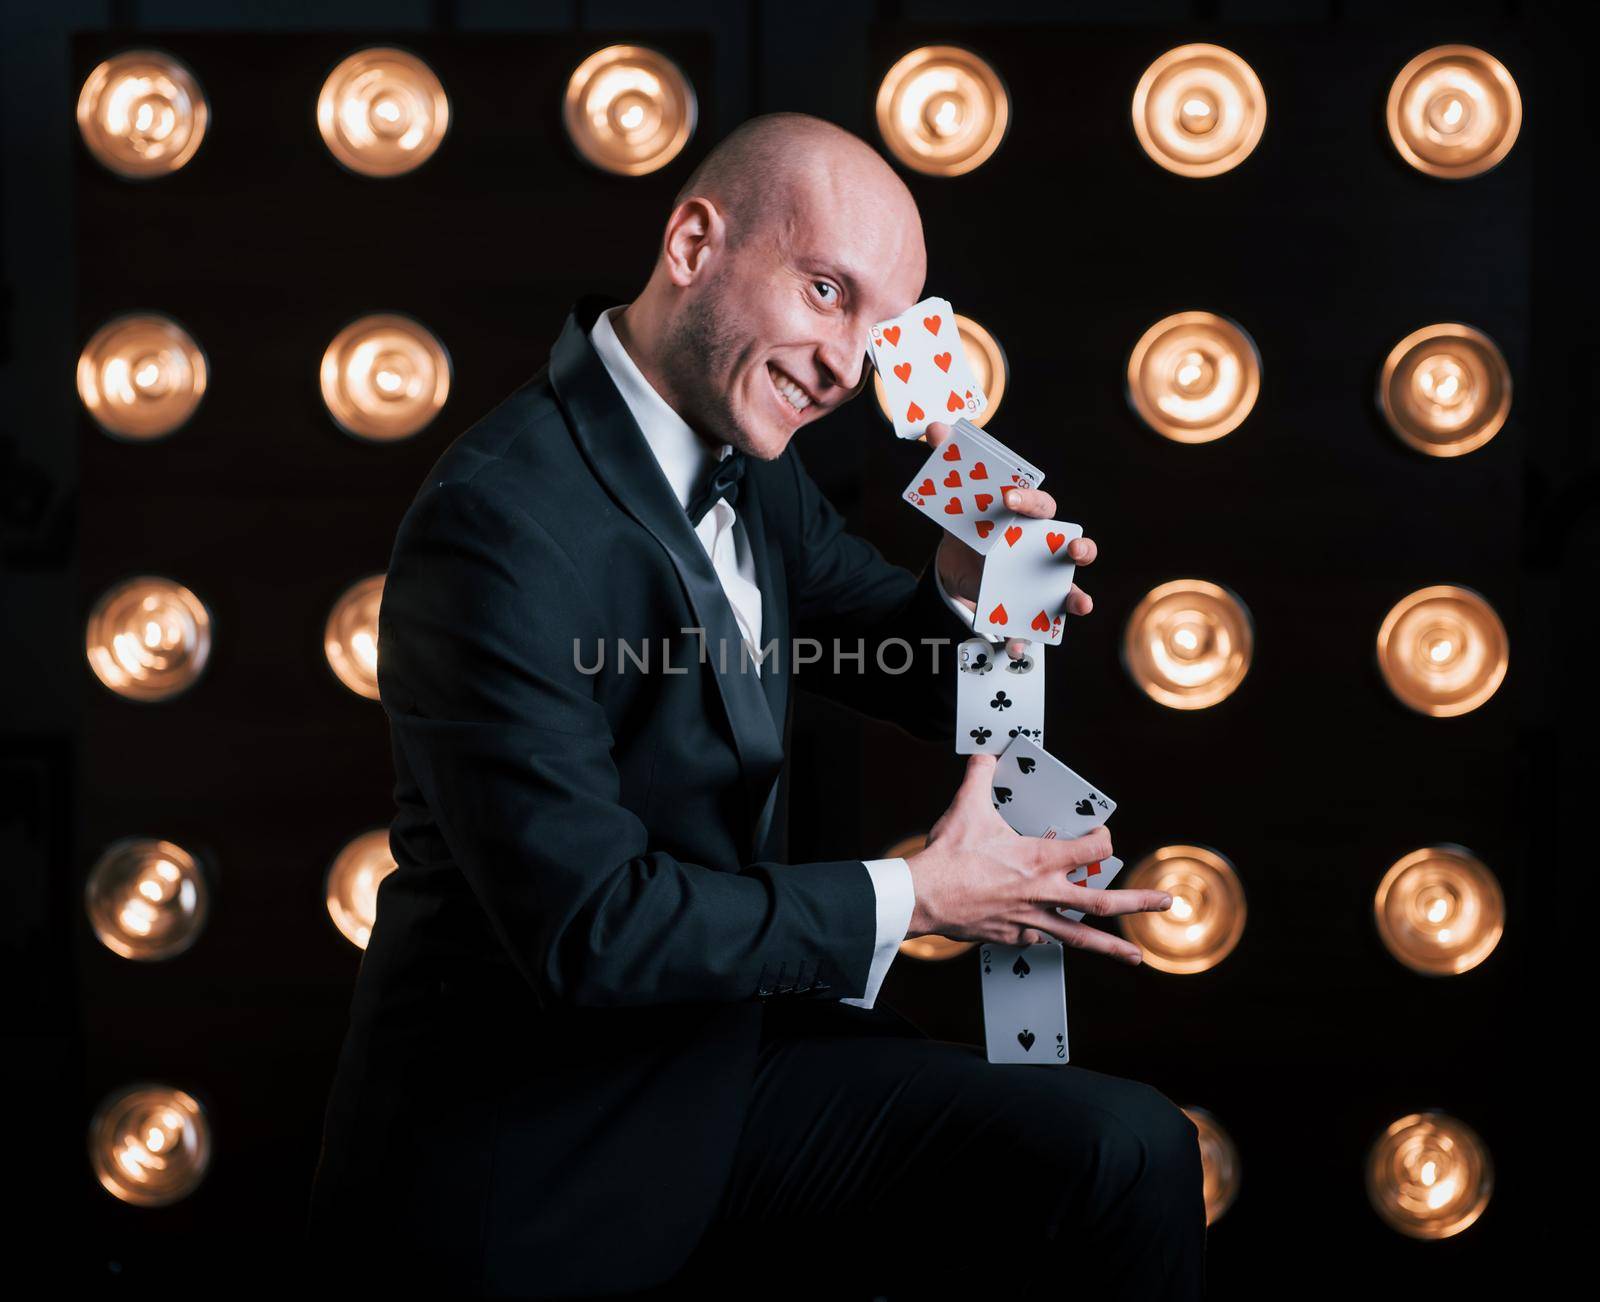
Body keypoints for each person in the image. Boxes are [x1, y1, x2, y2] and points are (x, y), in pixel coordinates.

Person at [306, 111, 1206, 1299]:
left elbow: (920, 671)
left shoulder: (747, 467)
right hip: (544, 1143)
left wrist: (971, 590)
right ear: (692, 244)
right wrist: (921, 897)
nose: (847, 366)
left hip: (723, 1059)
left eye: (883, 332)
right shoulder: (501, 526)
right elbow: (594, 931)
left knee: (1124, 1150)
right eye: (828, 291)